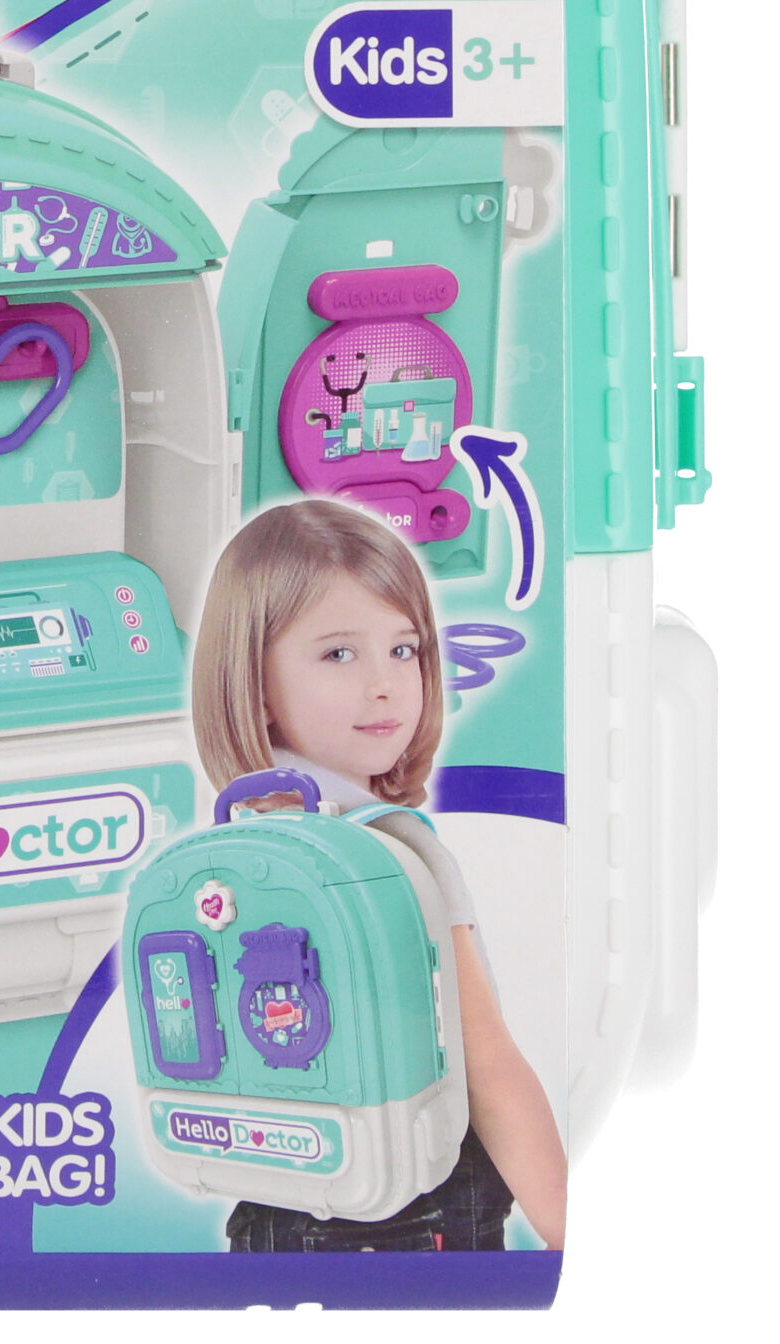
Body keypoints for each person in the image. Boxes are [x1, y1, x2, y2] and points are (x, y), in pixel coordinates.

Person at [188, 500, 566, 1252]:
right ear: (254, 685)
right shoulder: (393, 847)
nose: (386, 683)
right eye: (339, 654)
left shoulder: (236, 844)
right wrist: (570, 1233)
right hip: (419, 1209)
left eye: (404, 649)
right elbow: (486, 1064)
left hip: (274, 1204)